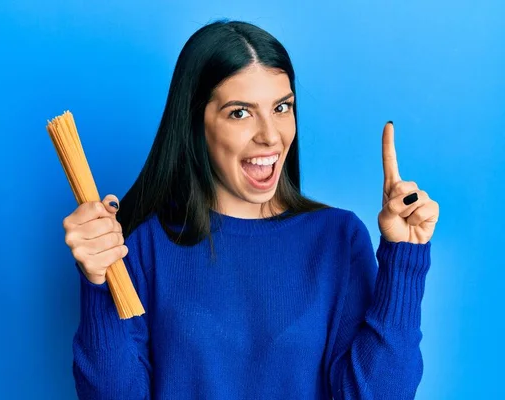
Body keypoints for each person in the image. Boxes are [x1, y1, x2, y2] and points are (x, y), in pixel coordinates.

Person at [62, 19, 440, 399]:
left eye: (281, 107)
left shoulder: (338, 239)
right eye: (240, 112)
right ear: (196, 123)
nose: (270, 136)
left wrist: (404, 259)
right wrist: (98, 280)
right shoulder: (144, 246)